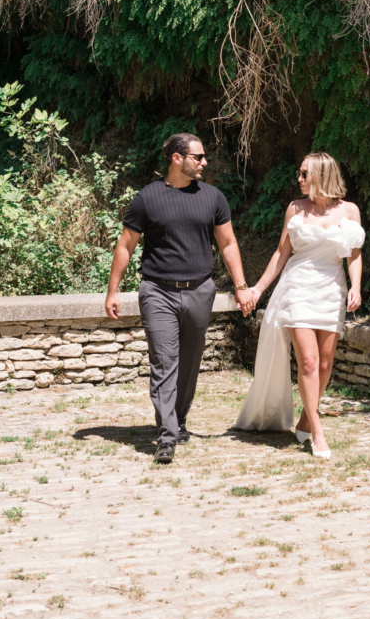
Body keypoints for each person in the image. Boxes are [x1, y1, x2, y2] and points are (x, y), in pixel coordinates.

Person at [105, 133, 257, 464]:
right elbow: (125, 245)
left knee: (188, 363)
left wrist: (241, 285)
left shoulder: (213, 197)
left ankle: (179, 419)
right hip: (158, 290)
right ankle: (166, 436)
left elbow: (228, 243)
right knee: (164, 361)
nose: (204, 162)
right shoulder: (147, 198)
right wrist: (113, 290)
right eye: (198, 157)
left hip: (200, 289)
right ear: (177, 158)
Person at [234, 152, 364, 460]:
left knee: (324, 365)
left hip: (332, 289)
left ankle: (307, 419)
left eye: (305, 173)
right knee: (307, 361)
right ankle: (317, 434)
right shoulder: (295, 208)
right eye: (299, 173)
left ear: (321, 175)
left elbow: (354, 254)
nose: (299, 179)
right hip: (297, 288)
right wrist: (257, 289)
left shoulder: (349, 210)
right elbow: (281, 253)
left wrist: (356, 286)